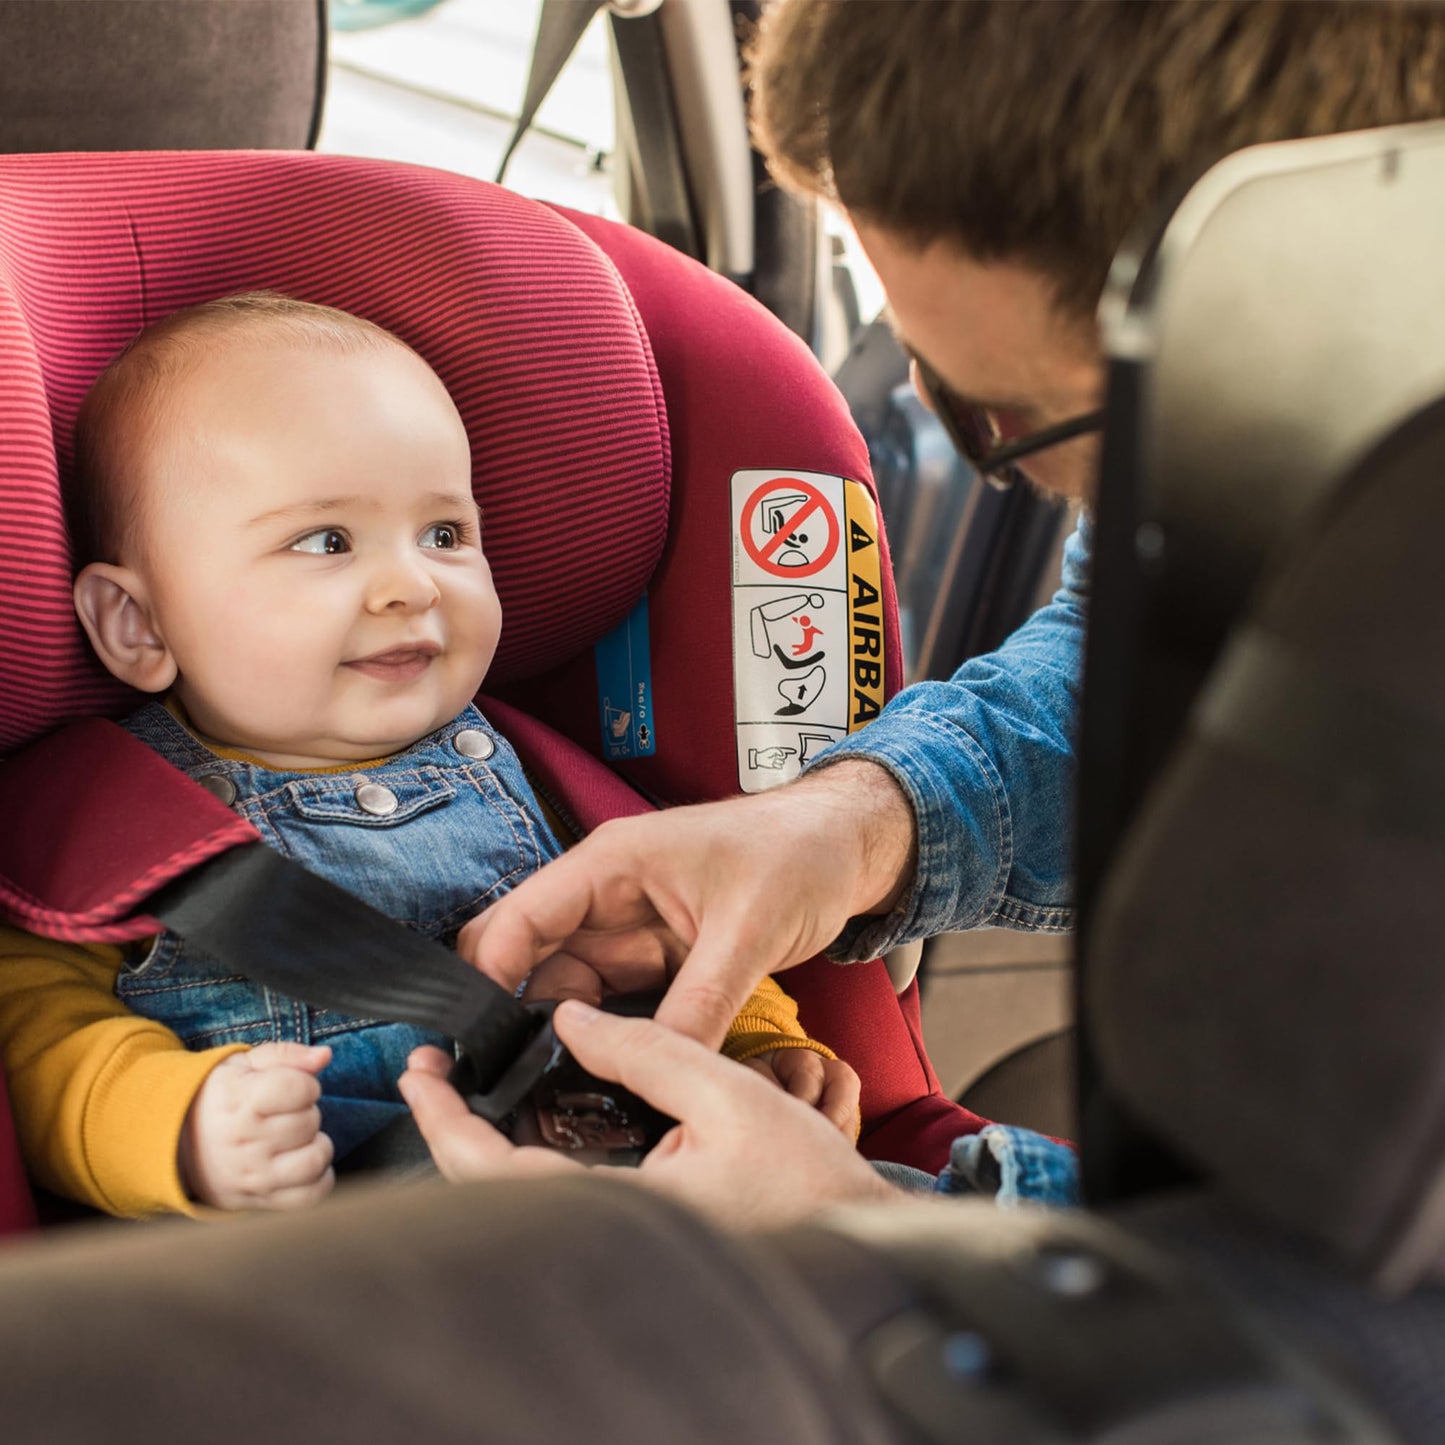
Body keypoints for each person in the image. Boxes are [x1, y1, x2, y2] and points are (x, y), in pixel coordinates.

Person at [398, 0, 1445, 1227]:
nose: (934, 410)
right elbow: (1136, 654)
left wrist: (873, 1236)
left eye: (1000, 416)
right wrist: (848, 823)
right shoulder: (1295, 422)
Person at [0, 291, 858, 1218]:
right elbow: (42, 1042)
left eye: (445, 534)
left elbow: (679, 925)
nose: (411, 584)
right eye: (326, 541)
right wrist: (183, 1128)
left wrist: (754, 1048)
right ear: (138, 623)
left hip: (639, 1191)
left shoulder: (544, 776)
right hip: (352, 1250)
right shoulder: (100, 826)